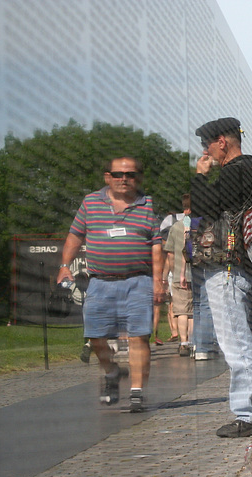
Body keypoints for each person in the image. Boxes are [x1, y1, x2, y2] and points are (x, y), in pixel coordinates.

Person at [57, 157, 164, 412]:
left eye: (130, 174)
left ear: (138, 177)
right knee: (95, 337)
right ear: (108, 177)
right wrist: (64, 265)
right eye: (118, 174)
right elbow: (75, 235)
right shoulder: (91, 202)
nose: (124, 179)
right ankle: (112, 371)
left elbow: (156, 244)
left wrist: (158, 281)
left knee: (139, 337)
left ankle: (137, 392)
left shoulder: (147, 204)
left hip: (138, 281)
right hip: (100, 283)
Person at [192, 117, 252, 437]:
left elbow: (204, 207)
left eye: (207, 144)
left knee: (237, 344)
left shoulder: (234, 171)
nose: (204, 150)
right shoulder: (251, 170)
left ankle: (251, 415)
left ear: (221, 142)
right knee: (247, 342)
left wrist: (201, 178)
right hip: (245, 267)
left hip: (230, 266)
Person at [163, 194, 193, 356]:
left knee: (181, 311)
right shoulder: (201, 225)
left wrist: (173, 272)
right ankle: (194, 342)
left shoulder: (175, 227)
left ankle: (183, 342)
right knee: (193, 312)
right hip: (197, 274)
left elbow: (170, 254)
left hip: (179, 274)